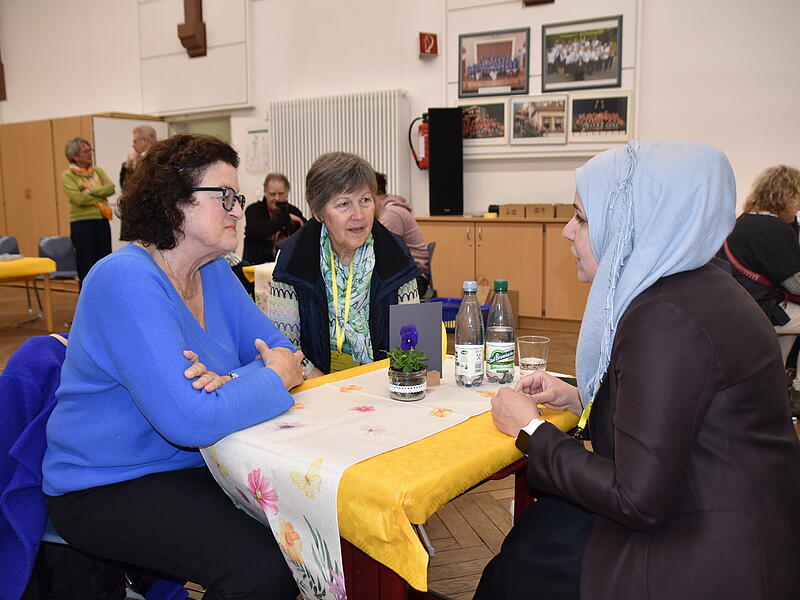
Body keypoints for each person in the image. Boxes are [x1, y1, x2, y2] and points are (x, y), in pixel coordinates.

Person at [477, 141, 800, 600]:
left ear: (634, 223)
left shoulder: (664, 318)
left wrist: (529, 429)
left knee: (527, 559)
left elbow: (636, 499)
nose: (568, 231)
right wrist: (581, 398)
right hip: (740, 519)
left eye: (582, 218)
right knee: (543, 527)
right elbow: (682, 415)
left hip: (710, 553)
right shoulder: (702, 286)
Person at [43, 134, 304, 599]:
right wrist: (263, 377)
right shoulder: (123, 280)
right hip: (106, 483)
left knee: (305, 525)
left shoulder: (216, 271)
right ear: (172, 202)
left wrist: (228, 382)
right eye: (223, 196)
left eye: (238, 197)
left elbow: (284, 353)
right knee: (262, 568)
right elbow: (191, 419)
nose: (237, 209)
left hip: (195, 463)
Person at [268, 152, 420, 377]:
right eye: (343, 204)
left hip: (385, 388)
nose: (358, 214)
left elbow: (414, 344)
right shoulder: (293, 259)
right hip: (315, 390)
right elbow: (284, 346)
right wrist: (326, 386)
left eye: (365, 200)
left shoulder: (395, 255)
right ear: (317, 211)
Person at [723, 165, 800, 415]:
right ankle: (796, 393)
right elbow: (796, 284)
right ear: (786, 195)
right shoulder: (774, 228)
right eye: (798, 198)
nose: (798, 207)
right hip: (765, 309)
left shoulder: (743, 221)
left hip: (742, 307)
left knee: (786, 338)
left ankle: (774, 393)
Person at [61, 137, 115, 286]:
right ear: (75, 156)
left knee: (104, 263)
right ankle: (87, 302)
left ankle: (106, 298)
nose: (90, 153)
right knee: (86, 264)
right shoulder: (67, 175)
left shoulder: (97, 171)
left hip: (102, 220)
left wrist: (90, 190)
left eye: (90, 150)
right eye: (86, 151)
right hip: (82, 224)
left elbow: (111, 188)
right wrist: (100, 194)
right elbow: (78, 199)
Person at [374, 171, 431, 297]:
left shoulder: (392, 214)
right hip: (412, 274)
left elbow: (381, 254)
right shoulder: (390, 210)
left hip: (413, 279)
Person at [243, 172, 306, 265]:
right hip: (257, 265)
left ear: (287, 194)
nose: (277, 198)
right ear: (265, 193)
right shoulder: (253, 210)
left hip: (286, 265)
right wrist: (286, 218)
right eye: (272, 194)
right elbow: (261, 231)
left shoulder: (294, 211)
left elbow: (304, 234)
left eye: (281, 194)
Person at [119, 124, 158, 189]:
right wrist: (128, 167)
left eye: (135, 141)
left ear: (145, 141)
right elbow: (125, 188)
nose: (133, 145)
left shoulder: (158, 159)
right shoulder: (134, 161)